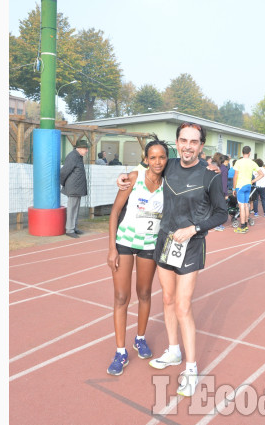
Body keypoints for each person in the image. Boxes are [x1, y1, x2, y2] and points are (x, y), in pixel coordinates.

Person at [117, 122, 227, 397]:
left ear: (202, 146)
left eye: (194, 141)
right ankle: (174, 351)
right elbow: (146, 170)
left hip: (191, 245)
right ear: (177, 143)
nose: (188, 146)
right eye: (183, 140)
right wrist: (122, 178)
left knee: (182, 305)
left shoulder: (211, 175)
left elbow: (221, 213)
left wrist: (194, 228)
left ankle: (191, 369)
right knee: (167, 299)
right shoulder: (169, 165)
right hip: (164, 242)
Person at [105, 137, 169, 375]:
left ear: (166, 159)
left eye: (162, 157)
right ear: (145, 159)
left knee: (144, 293)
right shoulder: (133, 179)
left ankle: (140, 338)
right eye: (152, 157)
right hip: (124, 243)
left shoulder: (168, 183)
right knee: (121, 296)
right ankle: (120, 352)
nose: (157, 161)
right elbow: (115, 212)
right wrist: (112, 248)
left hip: (149, 246)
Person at [59, 139, 89, 238]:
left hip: (76, 188)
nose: (87, 150)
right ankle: (69, 229)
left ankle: (74, 228)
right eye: (85, 148)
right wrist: (63, 183)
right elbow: (64, 171)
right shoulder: (73, 156)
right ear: (79, 148)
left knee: (75, 208)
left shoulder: (77, 156)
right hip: (73, 188)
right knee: (72, 209)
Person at [232, 146, 263, 233]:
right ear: (249, 153)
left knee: (241, 206)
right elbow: (261, 174)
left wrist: (234, 188)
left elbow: (235, 176)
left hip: (240, 186)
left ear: (242, 152)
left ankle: (242, 227)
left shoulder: (238, 162)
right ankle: (245, 225)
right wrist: (252, 181)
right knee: (246, 205)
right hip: (248, 185)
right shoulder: (252, 162)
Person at [213, 155, 230, 231]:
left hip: (215, 189)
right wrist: (226, 193)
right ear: (225, 161)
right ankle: (218, 224)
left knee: (215, 207)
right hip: (221, 190)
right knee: (221, 208)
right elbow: (224, 182)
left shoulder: (217, 167)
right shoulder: (224, 169)